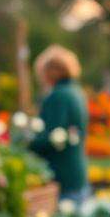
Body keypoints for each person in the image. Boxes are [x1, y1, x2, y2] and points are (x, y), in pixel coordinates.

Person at [29, 45, 89, 203]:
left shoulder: (58, 96)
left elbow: (51, 137)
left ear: (50, 71)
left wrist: (26, 144)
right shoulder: (76, 92)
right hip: (76, 172)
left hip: (62, 176)